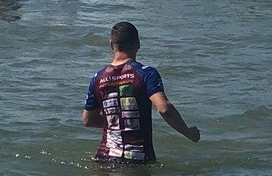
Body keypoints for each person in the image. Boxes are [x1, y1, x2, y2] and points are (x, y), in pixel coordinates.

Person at [82, 21, 200, 163]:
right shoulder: (146, 74)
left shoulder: (98, 78)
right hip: (137, 158)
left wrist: (117, 122)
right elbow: (164, 108)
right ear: (138, 44)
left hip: (104, 157)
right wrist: (187, 132)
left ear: (111, 44)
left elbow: (88, 120)